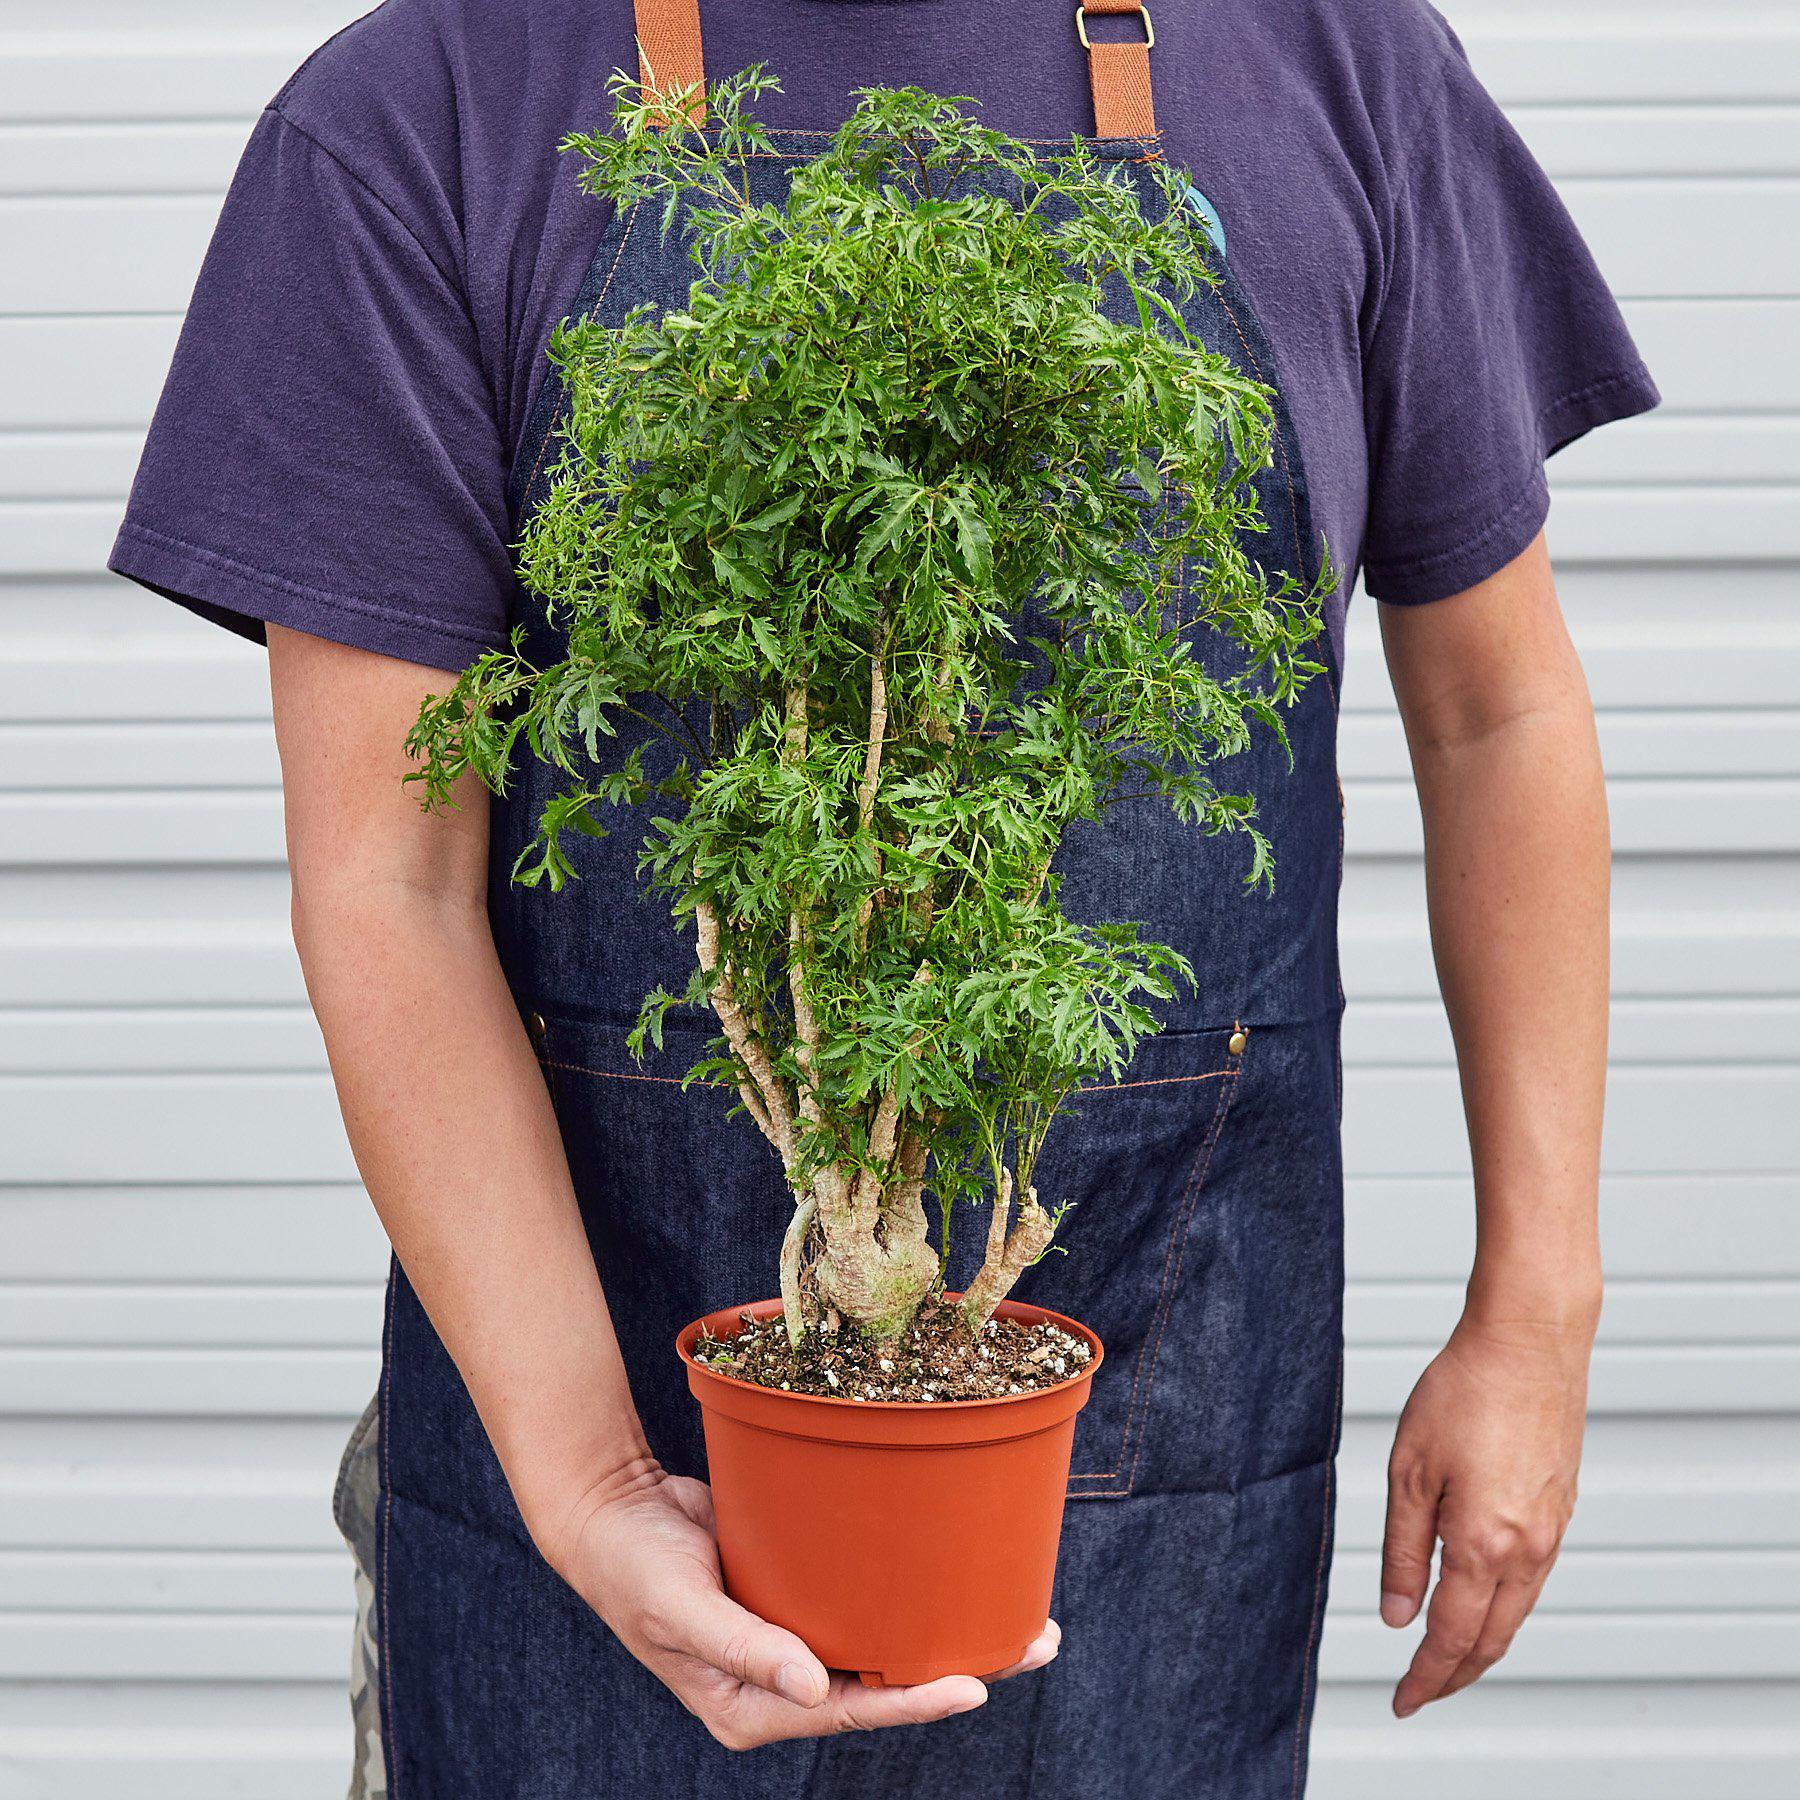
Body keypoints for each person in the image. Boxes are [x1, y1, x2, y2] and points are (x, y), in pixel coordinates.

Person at [109, 1, 1654, 1793]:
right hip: (595, 1483)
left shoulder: (1336, 64)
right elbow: (394, 880)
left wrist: (1538, 1313)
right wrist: (592, 1481)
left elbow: (1497, 718)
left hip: (1165, 1457)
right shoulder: (422, 114)